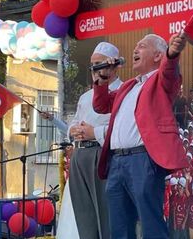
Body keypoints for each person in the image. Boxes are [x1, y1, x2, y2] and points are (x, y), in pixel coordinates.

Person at [93, 33, 190, 239]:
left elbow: (169, 72)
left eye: (142, 46)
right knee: (120, 226)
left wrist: (172, 55)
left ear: (157, 56)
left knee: (150, 223)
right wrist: (102, 78)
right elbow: (101, 105)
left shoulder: (161, 80)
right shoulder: (128, 86)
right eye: (135, 46)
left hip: (142, 160)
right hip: (116, 161)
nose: (135, 50)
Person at [65, 41, 123, 239]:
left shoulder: (124, 91)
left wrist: (94, 132)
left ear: (114, 66)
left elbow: (124, 129)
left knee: (105, 213)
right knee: (84, 213)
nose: (94, 69)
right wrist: (73, 130)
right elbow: (74, 121)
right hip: (80, 155)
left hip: (103, 154)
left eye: (99, 64)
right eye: (92, 65)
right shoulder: (85, 96)